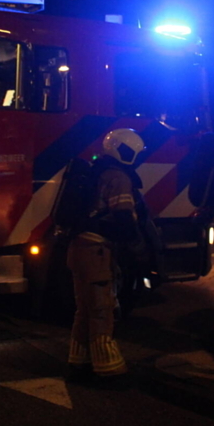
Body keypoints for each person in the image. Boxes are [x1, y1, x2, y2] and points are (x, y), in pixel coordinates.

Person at [65, 128, 146, 386]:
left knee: (84, 310)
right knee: (102, 309)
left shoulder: (95, 171)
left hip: (79, 248)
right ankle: (108, 369)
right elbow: (123, 217)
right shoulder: (119, 177)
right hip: (98, 252)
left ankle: (79, 362)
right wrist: (135, 246)